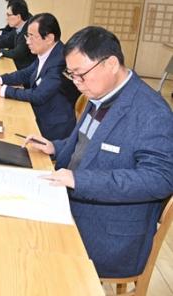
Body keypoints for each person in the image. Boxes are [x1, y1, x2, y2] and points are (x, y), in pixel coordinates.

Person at [27, 26, 173, 279]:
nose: (76, 82)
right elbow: (89, 143)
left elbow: (160, 179)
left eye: (81, 74)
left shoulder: (152, 112)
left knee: (30, 253)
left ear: (111, 64)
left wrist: (79, 180)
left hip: (109, 234)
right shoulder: (100, 92)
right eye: (71, 74)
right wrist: (55, 147)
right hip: (72, 203)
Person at [0, 13, 77, 140]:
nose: (27, 41)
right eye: (27, 36)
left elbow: (38, 95)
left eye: (32, 37)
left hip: (52, 129)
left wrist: (2, 90)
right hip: (39, 115)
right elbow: (25, 73)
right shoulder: (48, 52)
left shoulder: (60, 61)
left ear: (49, 38)